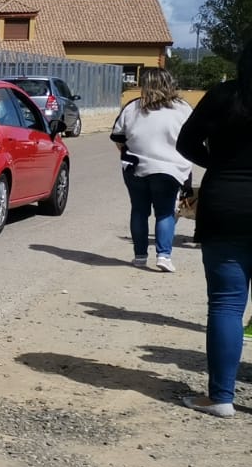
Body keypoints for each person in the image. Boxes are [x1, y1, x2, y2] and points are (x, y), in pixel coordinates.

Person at [175, 50, 252, 418]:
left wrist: (220, 164)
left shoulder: (223, 96)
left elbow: (186, 144)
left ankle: (221, 398)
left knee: (226, 304)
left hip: (226, 203)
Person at [106, 68, 192, 273]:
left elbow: (118, 138)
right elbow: (192, 138)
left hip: (135, 167)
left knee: (139, 210)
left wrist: (129, 153)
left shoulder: (133, 107)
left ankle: (140, 256)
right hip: (170, 169)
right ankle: (163, 256)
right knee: (164, 212)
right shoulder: (183, 109)